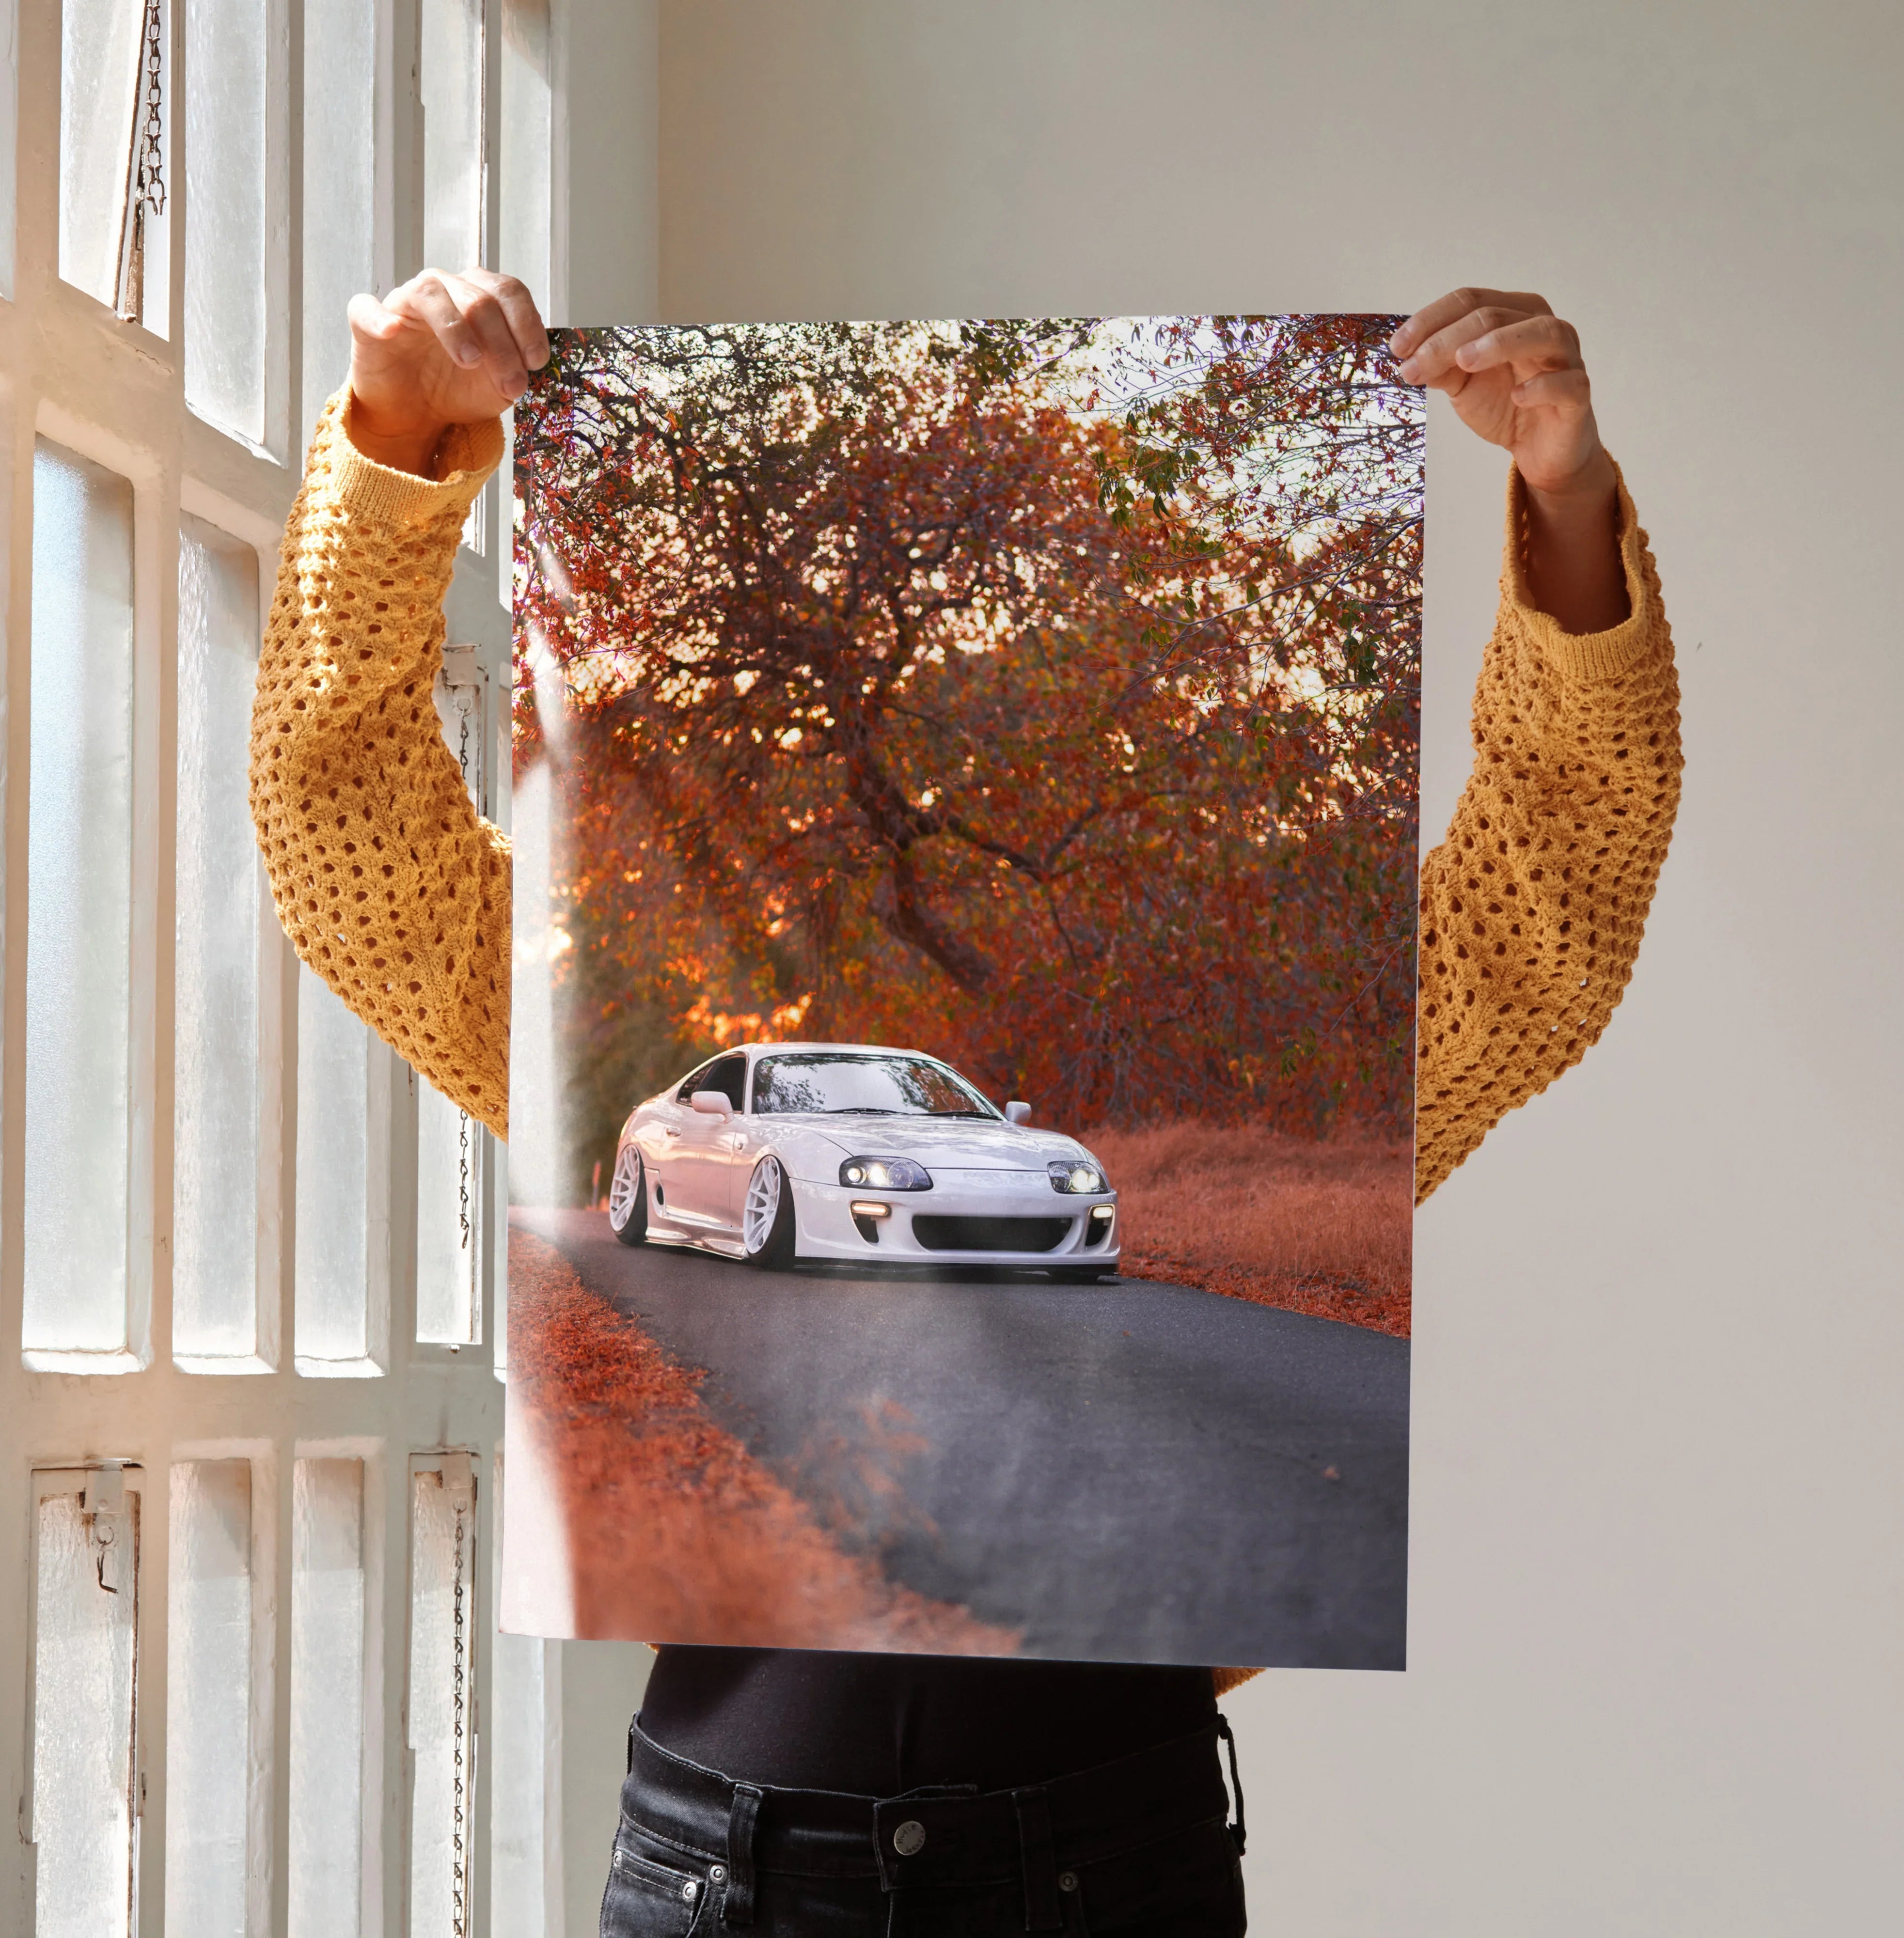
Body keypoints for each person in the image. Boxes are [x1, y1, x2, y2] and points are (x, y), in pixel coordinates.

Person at [251, 272, 1680, 1936]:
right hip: (732, 1872)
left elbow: (1551, 909)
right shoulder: (631, 1066)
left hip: (1112, 1857)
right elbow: (345, 838)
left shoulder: (1249, 1068)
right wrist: (397, 444)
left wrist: (1564, 498)